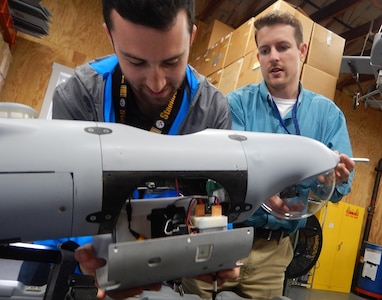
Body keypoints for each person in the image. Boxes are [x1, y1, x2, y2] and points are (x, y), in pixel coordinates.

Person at [51, 0, 238, 299]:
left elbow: (213, 202)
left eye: (172, 61)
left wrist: (216, 242)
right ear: (110, 36)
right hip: (83, 271)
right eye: (136, 62)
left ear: (191, 36)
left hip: (164, 276)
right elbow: (61, 198)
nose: (156, 83)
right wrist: (94, 251)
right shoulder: (79, 95)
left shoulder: (212, 111)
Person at [182, 10, 355, 300]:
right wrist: (260, 191)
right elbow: (217, 172)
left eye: (283, 47)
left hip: (274, 254)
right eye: (265, 50)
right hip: (219, 239)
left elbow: (339, 191)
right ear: (259, 56)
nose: (273, 57)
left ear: (302, 51)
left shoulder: (327, 116)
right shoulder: (235, 105)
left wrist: (334, 177)